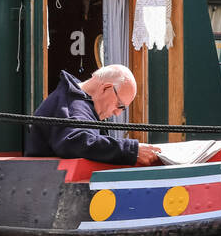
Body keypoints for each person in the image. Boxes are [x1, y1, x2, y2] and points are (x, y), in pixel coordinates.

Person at [25, 64, 161, 166]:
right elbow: (75, 142)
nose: (117, 112)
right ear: (106, 88)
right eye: (119, 105)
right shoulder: (72, 106)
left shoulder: (78, 101)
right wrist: (132, 150)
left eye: (123, 109)